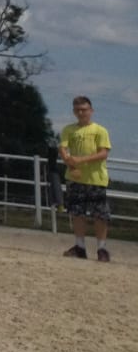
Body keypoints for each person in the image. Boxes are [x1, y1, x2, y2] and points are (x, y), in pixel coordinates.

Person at [58, 96, 113, 262]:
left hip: (96, 179)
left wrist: (81, 160)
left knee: (100, 214)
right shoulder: (68, 129)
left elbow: (103, 153)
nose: (81, 113)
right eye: (78, 110)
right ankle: (79, 246)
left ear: (91, 111)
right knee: (77, 212)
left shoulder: (100, 130)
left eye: (84, 109)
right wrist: (69, 161)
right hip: (75, 178)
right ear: (74, 111)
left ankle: (101, 248)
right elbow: (63, 148)